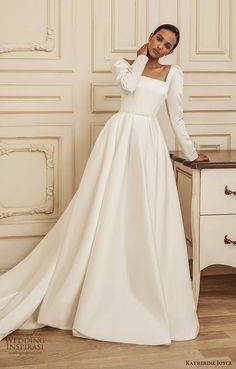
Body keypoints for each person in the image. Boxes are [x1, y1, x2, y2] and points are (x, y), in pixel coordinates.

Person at [0, 24, 209, 346]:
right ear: (150, 37)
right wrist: (139, 59)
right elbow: (128, 86)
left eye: (168, 45)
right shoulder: (123, 64)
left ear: (171, 51)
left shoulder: (173, 73)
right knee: (106, 203)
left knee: (143, 208)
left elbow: (176, 117)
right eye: (158, 39)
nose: (160, 47)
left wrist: (192, 154)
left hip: (147, 143)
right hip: (118, 137)